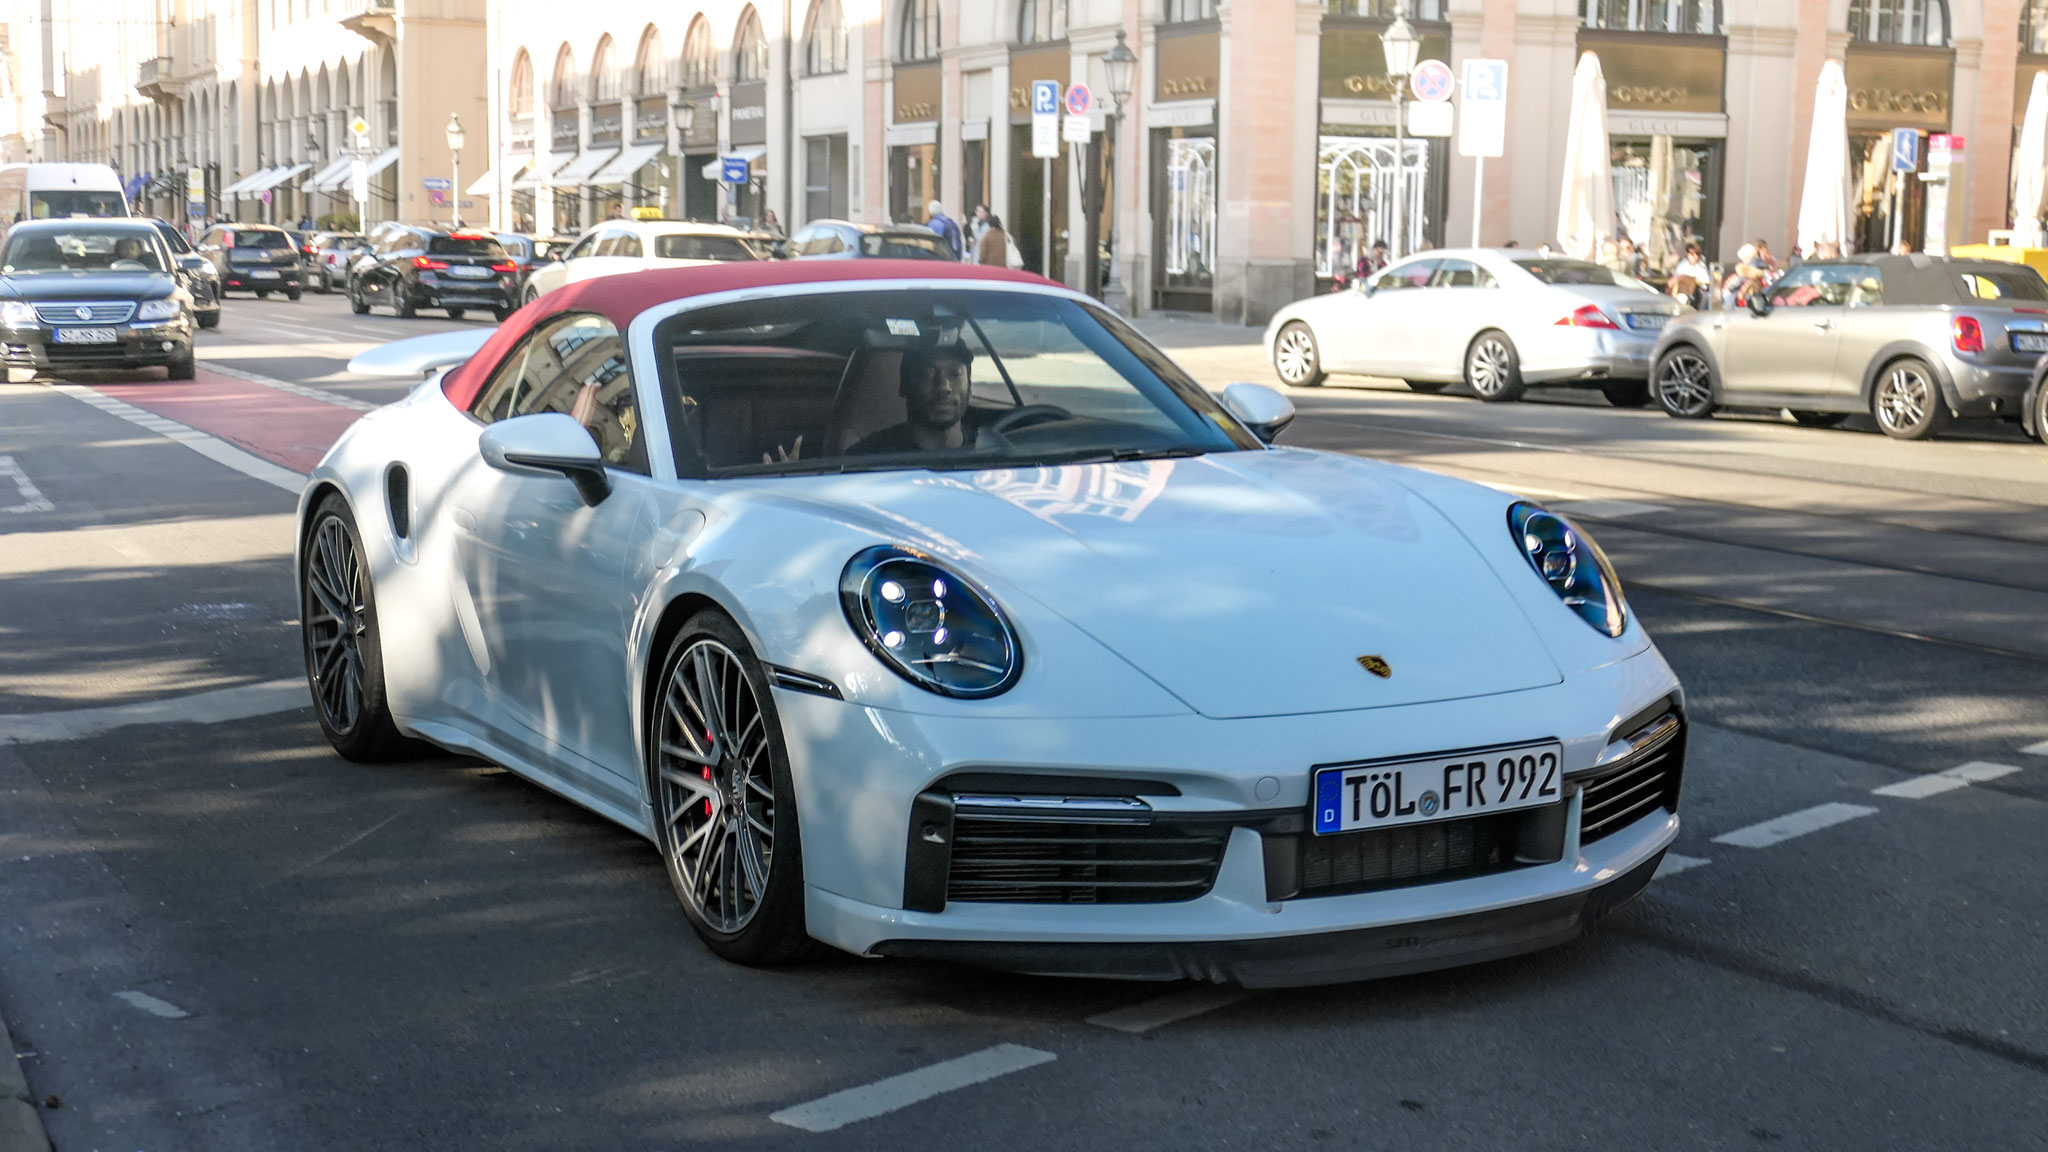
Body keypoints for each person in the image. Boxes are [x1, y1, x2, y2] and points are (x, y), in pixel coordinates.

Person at [850, 344, 976, 454]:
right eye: (926, 374)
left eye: (955, 374)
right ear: (904, 385)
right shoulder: (865, 459)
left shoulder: (991, 452)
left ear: (969, 386)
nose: (943, 387)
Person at [1669, 242, 1712, 310]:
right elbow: (1677, 280)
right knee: (1681, 297)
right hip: (1684, 292)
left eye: (1697, 254)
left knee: (1707, 297)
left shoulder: (1701, 266)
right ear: (1687, 254)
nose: (1695, 256)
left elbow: (1706, 280)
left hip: (1699, 292)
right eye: (1692, 254)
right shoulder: (1682, 265)